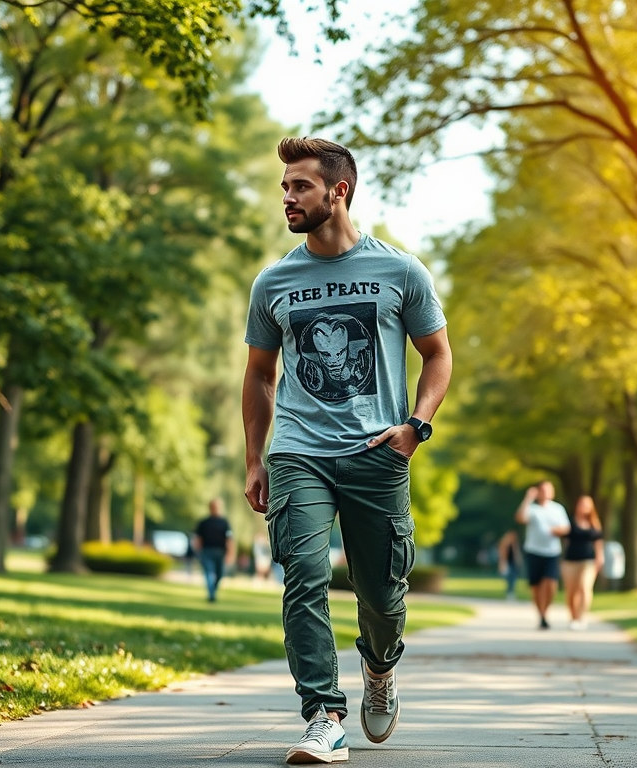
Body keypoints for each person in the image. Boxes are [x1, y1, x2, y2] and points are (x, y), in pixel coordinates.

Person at [242, 136, 452, 765]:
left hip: (377, 452)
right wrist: (256, 458)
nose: (287, 197)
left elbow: (438, 356)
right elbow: (258, 374)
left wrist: (416, 425)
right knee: (302, 579)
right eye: (284, 186)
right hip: (299, 453)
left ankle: (380, 666)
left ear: (340, 191)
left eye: (300, 185)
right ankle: (324, 716)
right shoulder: (274, 280)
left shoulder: (401, 271)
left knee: (382, 594)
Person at [515, 481, 571, 630]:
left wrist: (556, 531)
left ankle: (545, 612)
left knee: (551, 584)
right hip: (534, 551)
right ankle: (541, 615)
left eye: (548, 490)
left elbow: (566, 528)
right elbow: (520, 518)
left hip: (552, 552)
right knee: (536, 586)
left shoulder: (557, 509)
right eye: (543, 490)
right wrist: (528, 498)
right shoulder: (532, 509)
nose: (545, 493)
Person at [561, 495, 605, 630]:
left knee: (585, 588)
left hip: (588, 561)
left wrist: (600, 557)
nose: (584, 507)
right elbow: (565, 541)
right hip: (570, 561)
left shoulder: (594, 524)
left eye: (587, 505)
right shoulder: (569, 522)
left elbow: (598, 542)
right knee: (571, 592)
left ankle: (582, 616)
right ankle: (573, 617)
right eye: (581, 504)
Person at [193, 498, 235, 602]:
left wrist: (230, 553)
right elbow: (198, 539)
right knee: (209, 573)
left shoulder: (224, 523)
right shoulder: (203, 522)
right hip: (207, 551)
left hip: (220, 552)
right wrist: (198, 552)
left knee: (219, 574)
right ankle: (212, 595)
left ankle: (213, 591)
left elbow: (229, 539)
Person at [496, 529, 522, 601]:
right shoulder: (505, 544)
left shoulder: (514, 544)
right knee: (509, 579)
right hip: (508, 563)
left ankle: (511, 592)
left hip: (513, 564)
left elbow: (517, 555)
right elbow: (502, 555)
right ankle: (509, 592)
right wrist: (502, 563)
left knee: (513, 579)